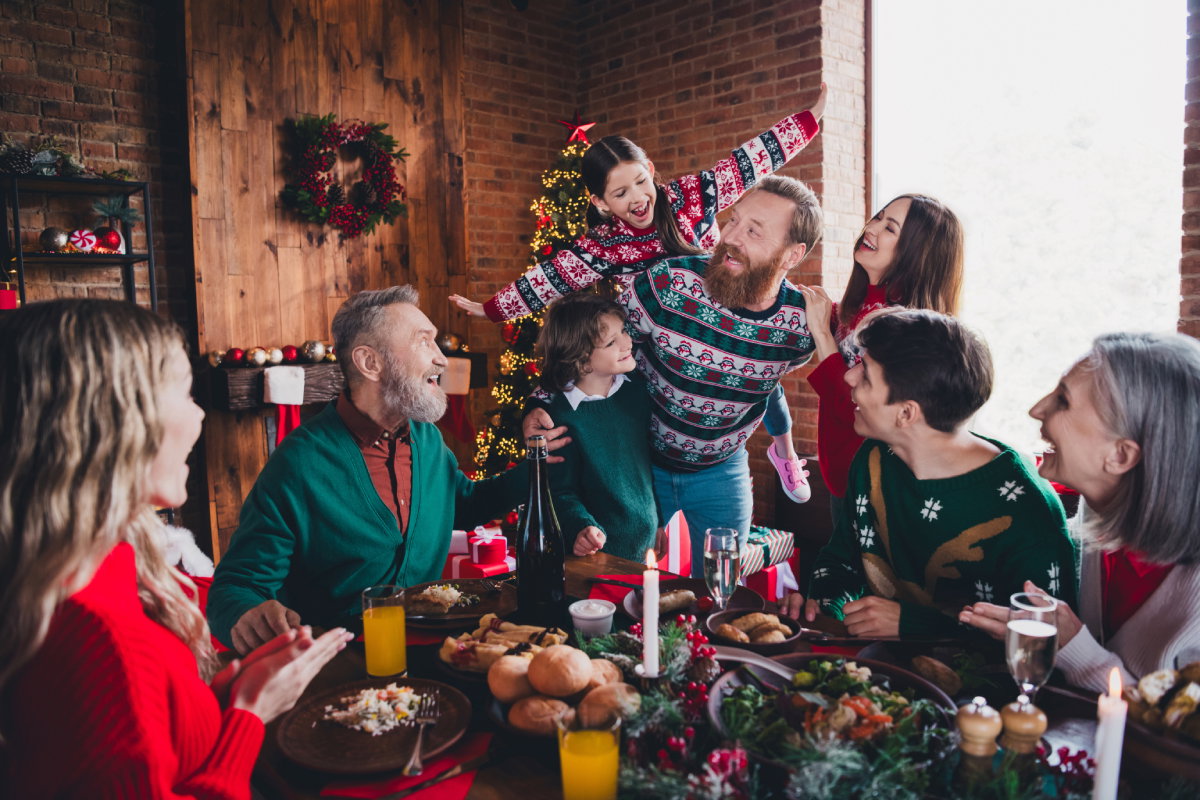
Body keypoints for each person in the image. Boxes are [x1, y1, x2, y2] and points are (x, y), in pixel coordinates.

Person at [0, 299, 351, 798]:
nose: (199, 417)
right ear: (113, 423)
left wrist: (228, 693)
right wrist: (249, 716)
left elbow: (143, 734)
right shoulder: (95, 635)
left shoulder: (106, 568)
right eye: (185, 394)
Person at [451, 87, 829, 504]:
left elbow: (747, 163)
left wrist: (808, 121)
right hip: (657, 339)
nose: (637, 198)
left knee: (760, 378)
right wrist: (491, 309)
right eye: (620, 193)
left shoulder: (688, 197)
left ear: (651, 170)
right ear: (601, 203)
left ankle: (785, 450)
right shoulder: (604, 245)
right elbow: (551, 277)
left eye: (640, 182)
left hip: (725, 310)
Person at [207, 286, 531, 654]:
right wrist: (249, 612)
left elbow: (464, 503)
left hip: (431, 652)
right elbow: (235, 586)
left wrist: (539, 467)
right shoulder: (300, 462)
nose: (441, 359)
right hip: (341, 669)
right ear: (370, 362)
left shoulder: (426, 439)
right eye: (424, 342)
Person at [527, 175, 823, 574]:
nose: (730, 236)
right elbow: (591, 344)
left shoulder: (802, 326)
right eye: (733, 220)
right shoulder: (666, 283)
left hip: (723, 471)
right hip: (639, 465)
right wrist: (536, 405)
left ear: (792, 254)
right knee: (618, 580)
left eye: (753, 231)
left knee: (719, 585)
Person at [781, 310, 1078, 636]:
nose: (849, 378)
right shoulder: (873, 457)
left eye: (865, 374)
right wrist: (824, 605)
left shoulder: (1027, 508)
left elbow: (1046, 645)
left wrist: (915, 626)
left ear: (906, 413)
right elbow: (842, 561)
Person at [960, 332, 1200, 693]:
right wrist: (1051, 635)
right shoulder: (1099, 509)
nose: (1037, 409)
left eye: (1063, 401)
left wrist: (1075, 648)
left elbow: (1176, 738)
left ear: (1120, 456)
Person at [798, 194, 963, 500]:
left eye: (890, 228)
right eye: (878, 217)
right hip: (846, 480)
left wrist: (822, 332)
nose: (871, 228)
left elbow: (858, 412)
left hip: (876, 488)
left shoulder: (901, 325)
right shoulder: (862, 304)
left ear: (917, 253)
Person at [532, 293, 659, 562]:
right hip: (594, 555)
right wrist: (580, 527)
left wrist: (658, 520)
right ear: (581, 358)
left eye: (624, 331)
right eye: (612, 342)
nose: (628, 342)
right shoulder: (559, 417)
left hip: (644, 546)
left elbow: (645, 467)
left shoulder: (636, 391)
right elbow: (559, 490)